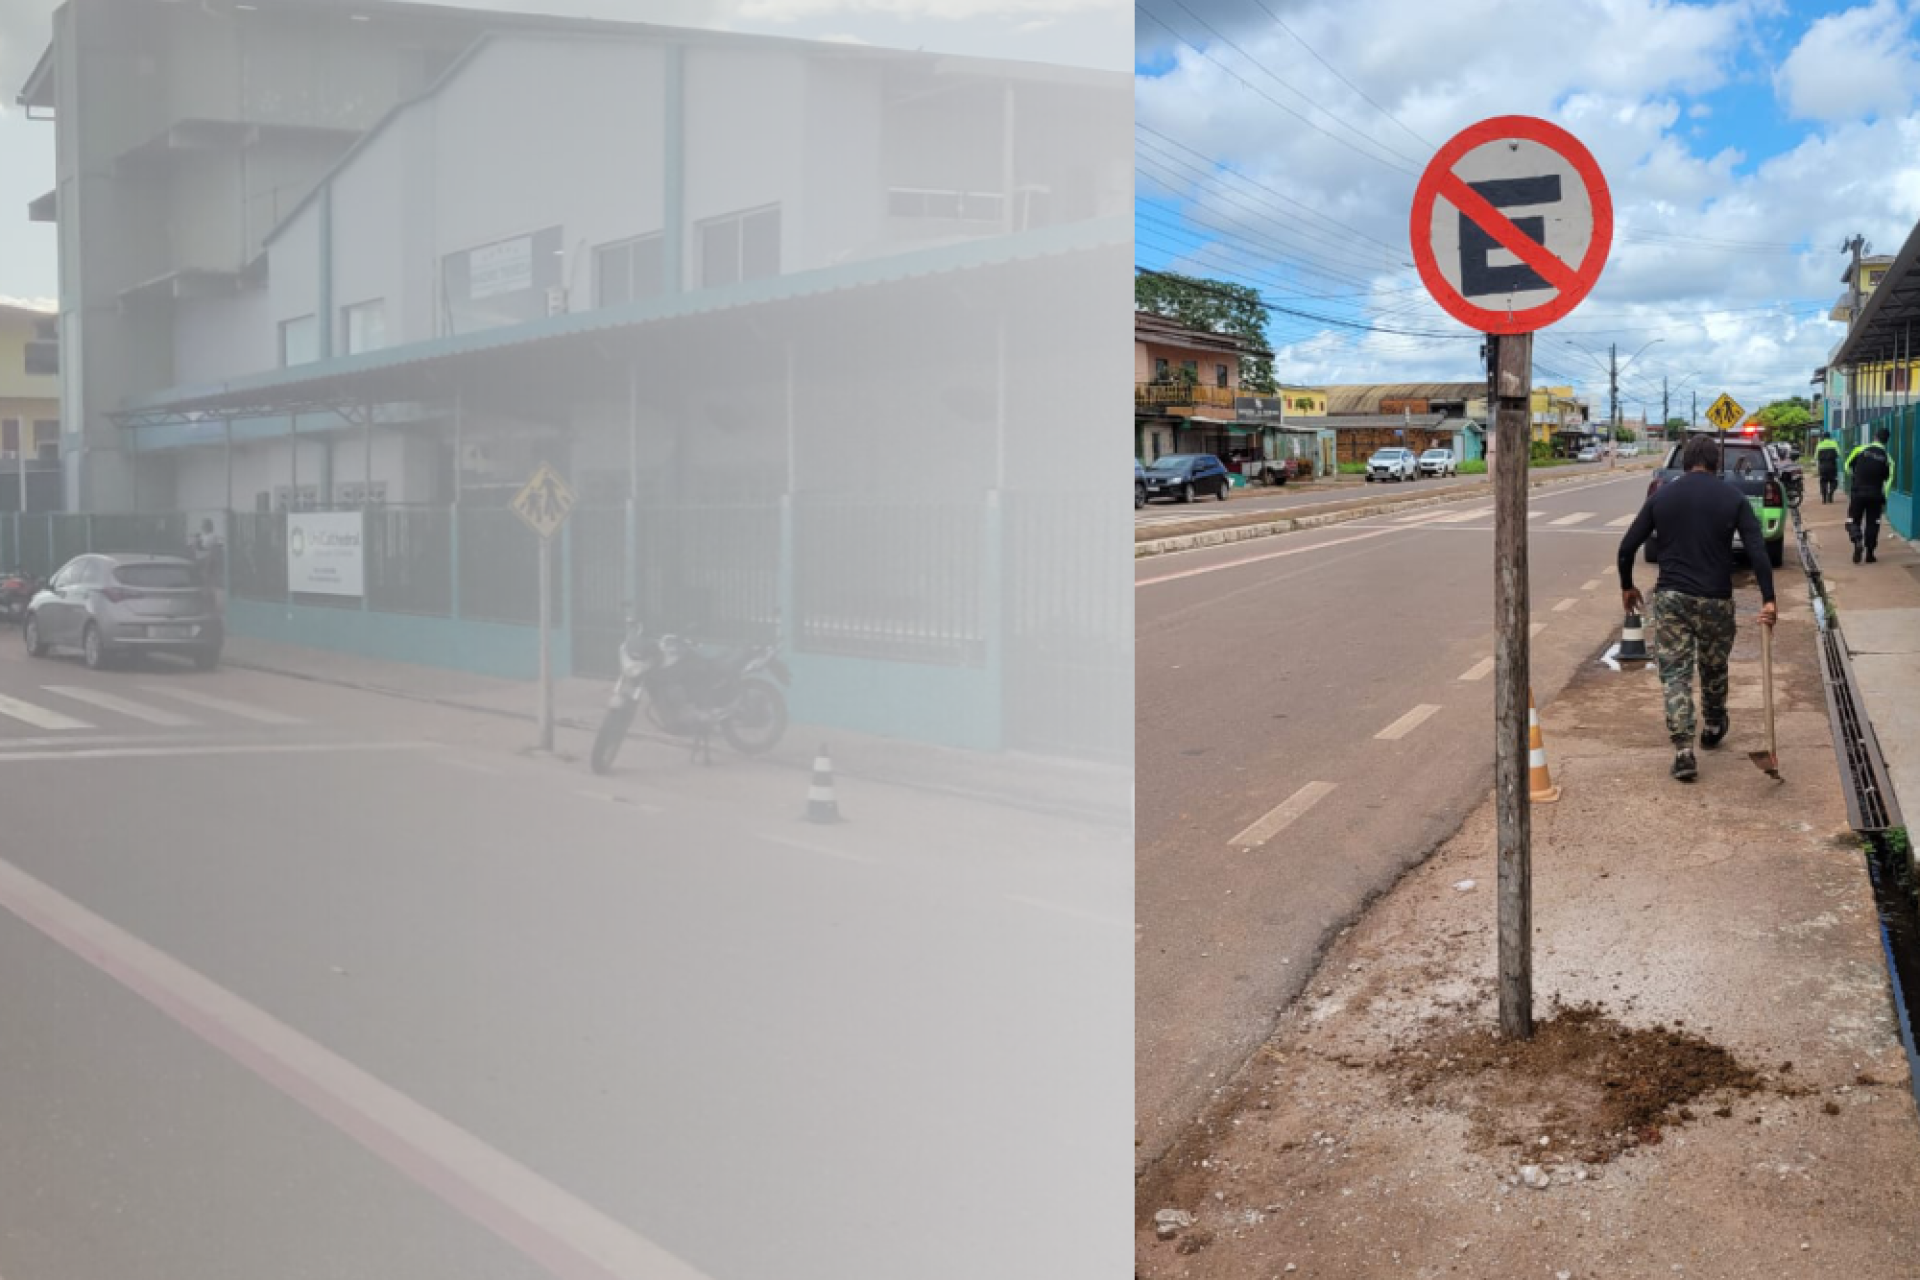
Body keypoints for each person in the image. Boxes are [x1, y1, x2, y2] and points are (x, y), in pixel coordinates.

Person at [1617, 433, 1778, 783]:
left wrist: (1627, 585)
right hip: (1717, 599)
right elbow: (1757, 550)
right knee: (1713, 666)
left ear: (1686, 462)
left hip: (1672, 598)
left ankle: (1683, 750)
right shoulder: (1733, 498)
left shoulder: (1663, 496)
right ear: (1716, 463)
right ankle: (1715, 723)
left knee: (1675, 674)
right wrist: (1768, 598)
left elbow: (1628, 546)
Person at [1844, 426, 1896, 564]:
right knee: (1873, 523)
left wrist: (1854, 478)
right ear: (1886, 441)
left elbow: (1847, 465)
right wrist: (1885, 497)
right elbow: (1889, 480)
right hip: (1876, 495)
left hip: (1858, 492)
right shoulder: (1888, 459)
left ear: (1874, 437)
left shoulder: (1860, 449)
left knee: (1852, 520)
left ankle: (1857, 539)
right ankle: (1870, 554)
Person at [1814, 432, 1842, 504]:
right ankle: (1831, 494)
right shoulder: (1834, 443)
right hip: (1832, 466)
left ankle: (1824, 499)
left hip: (1822, 467)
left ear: (1823, 437)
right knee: (1834, 481)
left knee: (1823, 481)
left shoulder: (1819, 445)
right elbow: (1839, 454)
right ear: (1830, 437)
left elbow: (1816, 457)